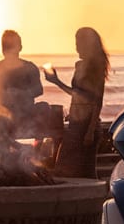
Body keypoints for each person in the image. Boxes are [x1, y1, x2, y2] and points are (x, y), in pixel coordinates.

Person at [45, 26, 110, 178]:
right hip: (76, 122)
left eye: (78, 42)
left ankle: (92, 199)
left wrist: (90, 130)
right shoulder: (79, 65)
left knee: (83, 171)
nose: (76, 47)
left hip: (86, 125)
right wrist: (56, 81)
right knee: (70, 169)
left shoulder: (96, 66)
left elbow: (96, 99)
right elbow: (77, 95)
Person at [0, 29, 45, 129]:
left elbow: (39, 90)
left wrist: (21, 93)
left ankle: (38, 143)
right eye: (6, 46)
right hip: (2, 113)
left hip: (26, 113)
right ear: (2, 49)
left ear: (20, 47)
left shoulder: (30, 67)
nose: (8, 49)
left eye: (11, 46)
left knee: (44, 107)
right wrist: (5, 93)